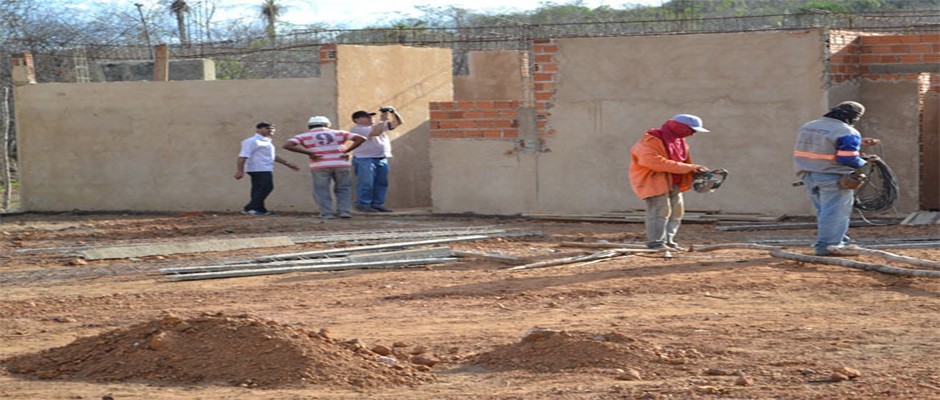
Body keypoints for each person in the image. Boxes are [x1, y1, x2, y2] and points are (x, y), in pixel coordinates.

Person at [793, 101, 881, 256]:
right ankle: (829, 246)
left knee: (824, 212)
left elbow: (823, 145)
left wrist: (858, 143)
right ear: (853, 117)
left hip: (808, 175)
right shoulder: (847, 131)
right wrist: (864, 161)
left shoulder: (809, 126)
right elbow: (847, 159)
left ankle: (840, 240)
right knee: (835, 213)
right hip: (832, 177)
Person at [629, 114, 710, 251]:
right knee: (660, 211)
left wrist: (694, 171)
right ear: (679, 127)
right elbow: (653, 162)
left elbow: (682, 163)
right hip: (655, 181)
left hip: (674, 182)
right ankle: (656, 243)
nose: (693, 133)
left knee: (676, 212)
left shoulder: (680, 142)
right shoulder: (650, 140)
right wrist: (690, 168)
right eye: (691, 130)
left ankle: (668, 241)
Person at [283, 116, 366, 220]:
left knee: (321, 190)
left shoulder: (304, 136)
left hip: (319, 164)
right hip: (341, 163)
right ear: (328, 125)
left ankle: (327, 213)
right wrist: (347, 151)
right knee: (343, 188)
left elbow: (287, 145)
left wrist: (309, 153)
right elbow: (361, 138)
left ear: (310, 126)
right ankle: (344, 211)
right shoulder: (339, 133)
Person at [234, 121, 299, 216]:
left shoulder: (267, 142)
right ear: (258, 129)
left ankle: (260, 209)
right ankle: (250, 208)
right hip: (257, 168)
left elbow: (272, 156)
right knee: (267, 187)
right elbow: (243, 156)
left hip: (265, 168)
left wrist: (287, 163)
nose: (270, 130)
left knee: (258, 189)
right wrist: (240, 171)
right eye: (267, 128)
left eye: (272, 129)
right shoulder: (252, 141)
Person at [350, 106, 403, 213]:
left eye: (371, 116)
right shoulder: (357, 129)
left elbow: (398, 123)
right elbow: (376, 133)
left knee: (381, 183)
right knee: (366, 183)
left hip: (381, 158)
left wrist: (393, 112)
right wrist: (383, 120)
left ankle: (377, 204)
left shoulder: (378, 126)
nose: (371, 118)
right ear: (357, 120)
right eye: (367, 117)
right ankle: (364, 204)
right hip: (364, 159)